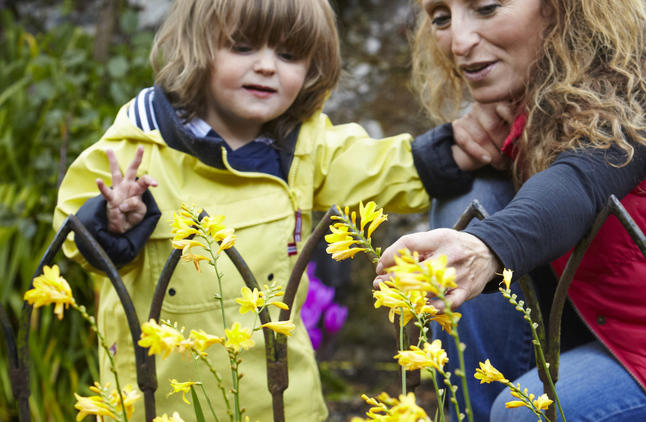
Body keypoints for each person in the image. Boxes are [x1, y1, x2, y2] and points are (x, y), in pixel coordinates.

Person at [53, 0, 491, 420]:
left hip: (282, 399)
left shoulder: (303, 145)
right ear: (198, 47)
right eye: (242, 47)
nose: (266, 66)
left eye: (288, 54)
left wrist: (447, 154)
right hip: (162, 403)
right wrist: (112, 218)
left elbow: (375, 168)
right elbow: (73, 233)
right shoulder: (138, 148)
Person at [378, 0, 646, 421]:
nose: (458, 43)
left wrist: (487, 247)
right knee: (471, 193)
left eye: (485, 7)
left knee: (520, 412)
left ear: (560, 7)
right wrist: (447, 150)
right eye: (441, 19)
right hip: (621, 326)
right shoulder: (544, 83)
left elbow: (582, 179)